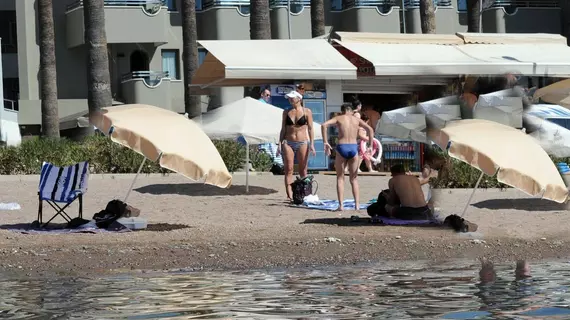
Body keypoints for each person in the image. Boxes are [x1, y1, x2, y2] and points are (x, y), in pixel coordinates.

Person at [321, 104, 374, 211]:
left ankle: (341, 206)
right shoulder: (356, 119)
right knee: (354, 179)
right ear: (350, 111)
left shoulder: (338, 118)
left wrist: (326, 142)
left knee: (340, 178)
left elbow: (323, 125)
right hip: (353, 147)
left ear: (342, 111)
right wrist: (371, 145)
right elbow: (370, 129)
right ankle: (357, 205)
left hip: (342, 147)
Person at [278, 90, 316, 201]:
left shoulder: (307, 111)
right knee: (288, 169)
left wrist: (312, 144)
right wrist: (279, 143)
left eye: (292, 98)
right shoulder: (286, 112)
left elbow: (310, 129)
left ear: (299, 99)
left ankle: (304, 193)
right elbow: (283, 129)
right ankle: (290, 195)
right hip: (288, 142)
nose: (290, 99)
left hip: (302, 142)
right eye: (289, 98)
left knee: (303, 170)